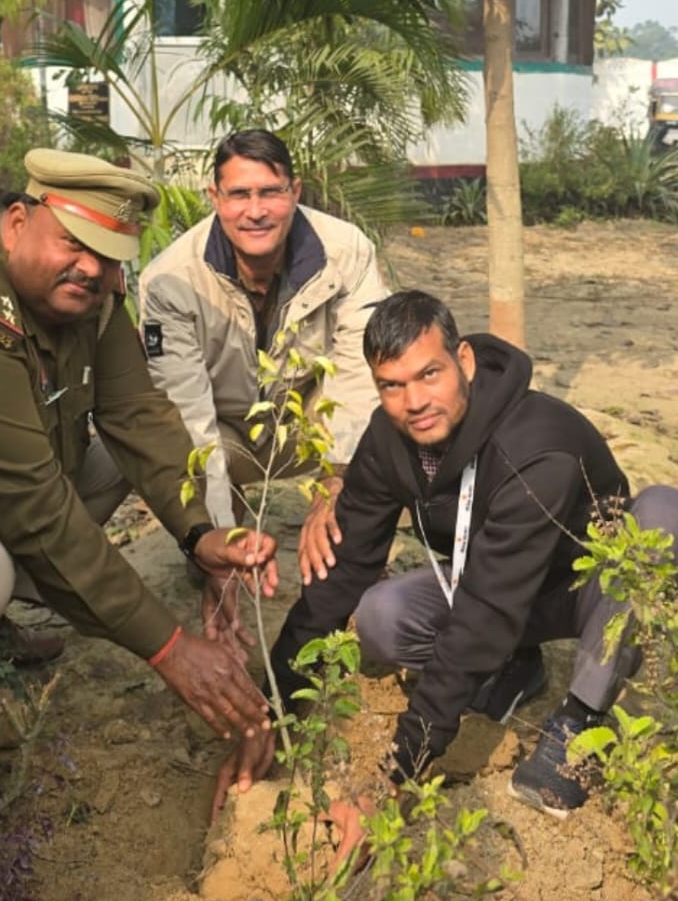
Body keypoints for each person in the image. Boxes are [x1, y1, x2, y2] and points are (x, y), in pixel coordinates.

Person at [213, 289, 678, 841]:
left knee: (661, 516)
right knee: (380, 614)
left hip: (582, 592)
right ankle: (516, 666)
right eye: (393, 385)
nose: (414, 401)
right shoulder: (391, 440)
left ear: (464, 361)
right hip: (492, 586)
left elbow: (484, 614)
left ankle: (580, 719)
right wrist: (271, 710)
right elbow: (343, 573)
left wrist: (397, 772)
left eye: (429, 374)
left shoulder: (535, 448)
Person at [0, 148, 278, 742]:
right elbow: (39, 516)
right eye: (74, 244)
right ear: (15, 224)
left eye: (110, 256)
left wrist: (200, 535)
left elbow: (138, 416)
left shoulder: (89, 301)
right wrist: (170, 648)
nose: (92, 268)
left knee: (116, 457)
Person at [138, 129, 388, 549]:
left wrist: (336, 484)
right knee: (164, 441)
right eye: (238, 194)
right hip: (227, 433)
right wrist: (219, 542)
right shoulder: (170, 281)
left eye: (270, 192)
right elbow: (190, 419)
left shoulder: (347, 252)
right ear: (214, 198)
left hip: (305, 423)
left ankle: (360, 549)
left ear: (294, 192)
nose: (255, 211)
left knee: (398, 397)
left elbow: (360, 376)